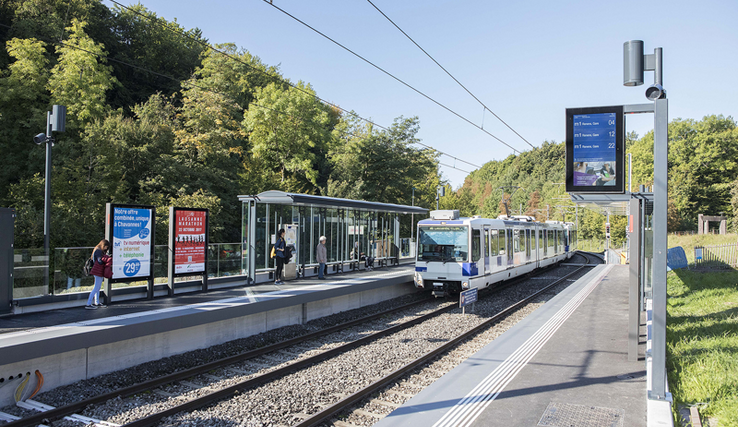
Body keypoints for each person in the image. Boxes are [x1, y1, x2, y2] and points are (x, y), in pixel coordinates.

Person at [86, 239, 110, 309]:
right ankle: (88, 303)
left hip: (97, 271)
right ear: (103, 245)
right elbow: (100, 261)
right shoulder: (99, 251)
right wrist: (106, 259)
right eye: (106, 247)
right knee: (96, 287)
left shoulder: (96, 249)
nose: (106, 248)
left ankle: (96, 302)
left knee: (98, 287)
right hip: (98, 271)